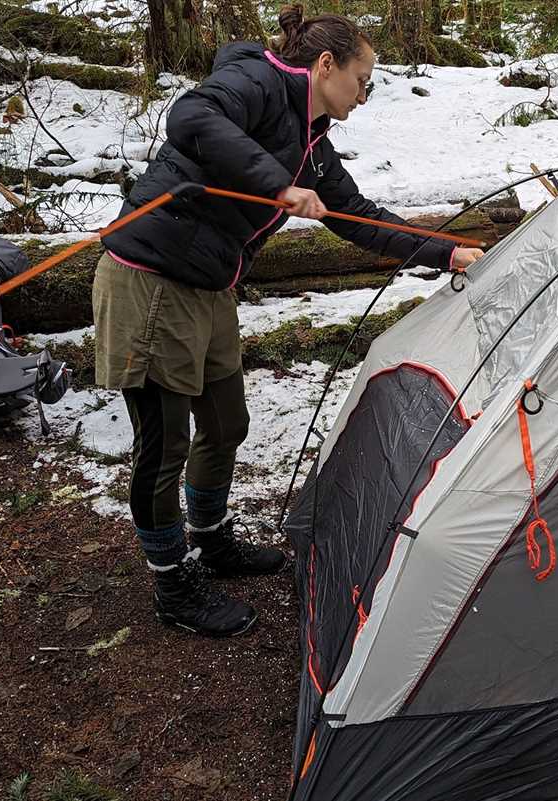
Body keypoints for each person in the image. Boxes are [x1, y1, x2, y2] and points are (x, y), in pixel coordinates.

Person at [93, 5, 483, 637]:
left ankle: (212, 538)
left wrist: (447, 251)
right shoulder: (255, 82)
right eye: (363, 80)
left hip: (210, 283)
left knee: (225, 424)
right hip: (151, 277)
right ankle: (171, 582)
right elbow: (191, 117)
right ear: (325, 66)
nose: (365, 94)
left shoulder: (313, 143)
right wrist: (276, 183)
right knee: (163, 444)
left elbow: (354, 214)